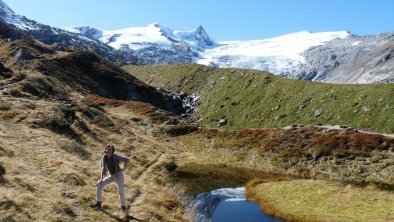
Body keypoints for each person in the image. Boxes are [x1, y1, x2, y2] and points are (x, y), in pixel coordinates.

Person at [90, 144, 129, 212]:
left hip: (119, 175)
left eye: (110, 149)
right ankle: (98, 204)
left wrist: (123, 169)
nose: (108, 151)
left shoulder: (115, 156)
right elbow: (103, 169)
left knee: (121, 191)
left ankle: (123, 207)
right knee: (99, 185)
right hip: (111, 176)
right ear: (105, 150)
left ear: (112, 150)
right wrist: (101, 180)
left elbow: (127, 160)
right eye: (107, 149)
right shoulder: (104, 158)